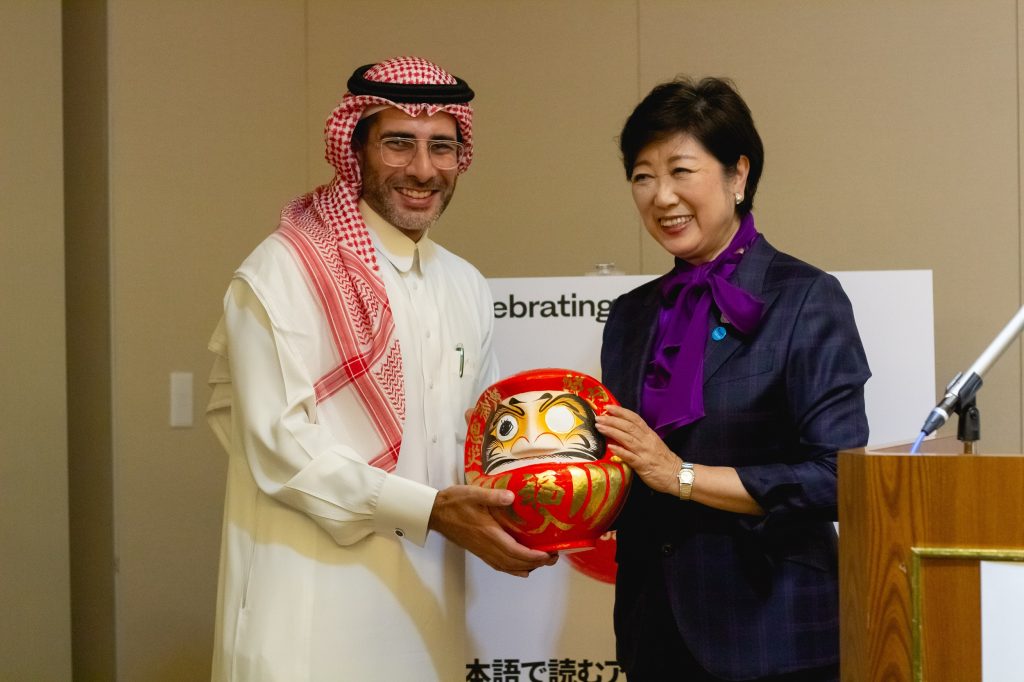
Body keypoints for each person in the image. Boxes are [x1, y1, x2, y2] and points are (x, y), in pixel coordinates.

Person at [205, 56, 556, 682]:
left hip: (430, 616)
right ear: (355, 148)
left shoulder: (465, 283)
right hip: (309, 613)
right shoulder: (285, 270)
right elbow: (278, 446)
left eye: (441, 147)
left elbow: (485, 437)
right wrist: (428, 511)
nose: (423, 170)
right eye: (399, 143)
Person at [594, 76, 871, 681]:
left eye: (681, 170)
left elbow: (837, 476)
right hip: (654, 631)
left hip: (774, 631)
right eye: (643, 176)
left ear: (738, 175)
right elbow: (627, 470)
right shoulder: (630, 316)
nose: (661, 196)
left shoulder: (807, 299)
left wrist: (682, 476)